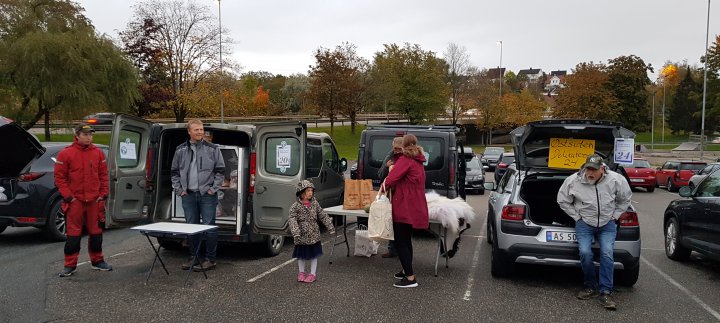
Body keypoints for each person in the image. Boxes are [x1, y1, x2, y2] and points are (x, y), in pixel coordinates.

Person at [556, 154, 632, 310]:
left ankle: (605, 291)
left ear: (602, 169)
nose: (589, 173)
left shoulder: (616, 180)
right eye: (587, 169)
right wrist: (577, 217)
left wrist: (615, 216)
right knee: (585, 253)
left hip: (607, 224)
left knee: (607, 253)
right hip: (585, 223)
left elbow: (625, 199)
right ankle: (590, 285)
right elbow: (562, 200)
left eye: (593, 170)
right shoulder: (573, 181)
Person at [55, 125, 112, 277]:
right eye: (85, 134)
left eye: (90, 135)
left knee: (96, 232)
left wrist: (103, 194)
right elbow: (60, 178)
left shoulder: (98, 153)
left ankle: (98, 261)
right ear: (77, 135)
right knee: (73, 234)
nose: (88, 137)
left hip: (94, 200)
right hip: (76, 201)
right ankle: (70, 265)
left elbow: (103, 176)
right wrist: (69, 197)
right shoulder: (66, 154)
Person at [171, 119, 225, 271]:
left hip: (207, 195)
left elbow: (220, 171)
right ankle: (194, 257)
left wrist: (212, 189)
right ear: (189, 131)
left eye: (201, 129)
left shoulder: (213, 149)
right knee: (191, 227)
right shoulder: (180, 149)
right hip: (188, 194)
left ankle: (210, 259)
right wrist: (179, 190)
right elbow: (174, 172)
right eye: (197, 130)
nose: (200, 132)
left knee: (209, 227)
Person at [383, 134, 428, 288]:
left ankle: (410, 278)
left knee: (401, 242)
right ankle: (405, 269)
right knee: (407, 240)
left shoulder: (406, 160)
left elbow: (390, 180)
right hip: (415, 205)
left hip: (403, 205)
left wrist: (389, 173)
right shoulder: (419, 161)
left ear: (403, 146)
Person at [288, 180, 335, 283]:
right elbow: (292, 219)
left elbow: (322, 215)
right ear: (301, 192)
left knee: (314, 255)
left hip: (314, 235)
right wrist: (296, 232)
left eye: (311, 191)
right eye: (308, 191)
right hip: (301, 236)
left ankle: (312, 274)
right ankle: (301, 272)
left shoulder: (315, 204)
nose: (310, 193)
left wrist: (330, 227)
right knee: (301, 256)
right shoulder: (295, 207)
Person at [377, 137, 404, 259]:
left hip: (402, 195)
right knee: (390, 221)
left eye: (399, 149)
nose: (397, 151)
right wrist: (385, 167)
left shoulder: (406, 157)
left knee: (401, 224)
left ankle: (402, 250)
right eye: (395, 149)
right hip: (390, 195)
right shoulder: (390, 156)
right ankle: (392, 249)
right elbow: (380, 175)